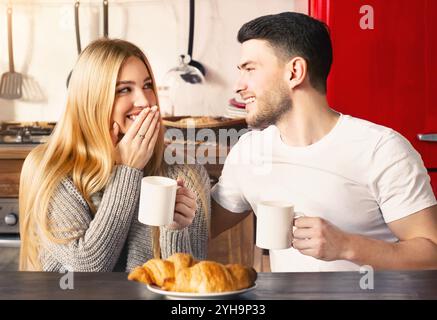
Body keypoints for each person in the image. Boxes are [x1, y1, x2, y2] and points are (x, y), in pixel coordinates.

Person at [211, 12, 437, 272]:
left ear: (295, 72)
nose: (239, 86)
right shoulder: (249, 152)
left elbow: (431, 253)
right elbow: (202, 228)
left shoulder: (381, 149)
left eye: (250, 69)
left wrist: (347, 246)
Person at [19, 39, 210, 272]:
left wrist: (175, 229)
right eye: (124, 89)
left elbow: (191, 283)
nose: (144, 101)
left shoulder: (184, 171)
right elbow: (86, 274)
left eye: (148, 85)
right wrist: (127, 171)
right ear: (92, 100)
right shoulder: (49, 167)